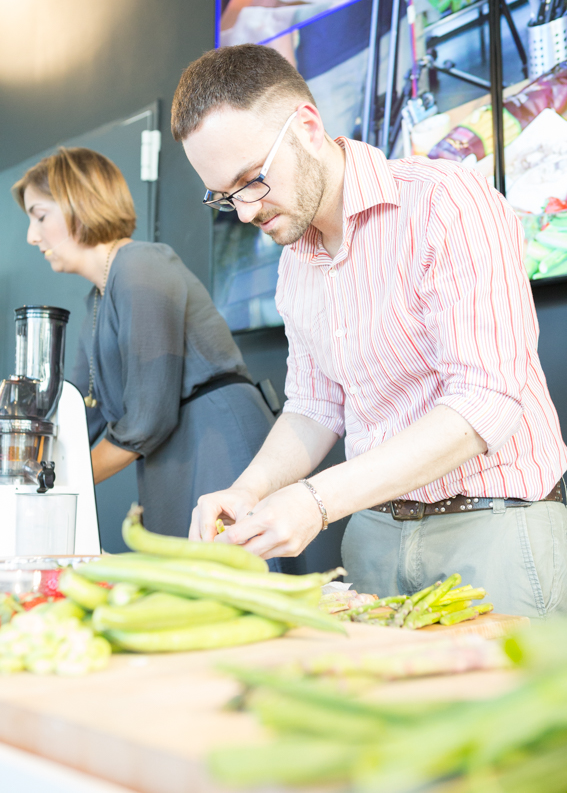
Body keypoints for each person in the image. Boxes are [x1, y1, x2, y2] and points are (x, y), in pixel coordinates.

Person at [171, 43, 567, 618]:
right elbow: (314, 405)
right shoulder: (296, 260)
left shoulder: (446, 201)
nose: (247, 213)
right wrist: (249, 491)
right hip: (374, 534)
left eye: (251, 180)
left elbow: (486, 402)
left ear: (307, 127)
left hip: (495, 527)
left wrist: (315, 500)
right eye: (224, 197)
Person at [12, 147, 277, 543]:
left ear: (78, 204)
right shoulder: (97, 300)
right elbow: (80, 412)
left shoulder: (141, 264)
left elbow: (149, 416)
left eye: (40, 216)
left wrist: (52, 483)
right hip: (172, 455)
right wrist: (23, 462)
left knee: (233, 584)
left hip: (215, 439)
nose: (33, 236)